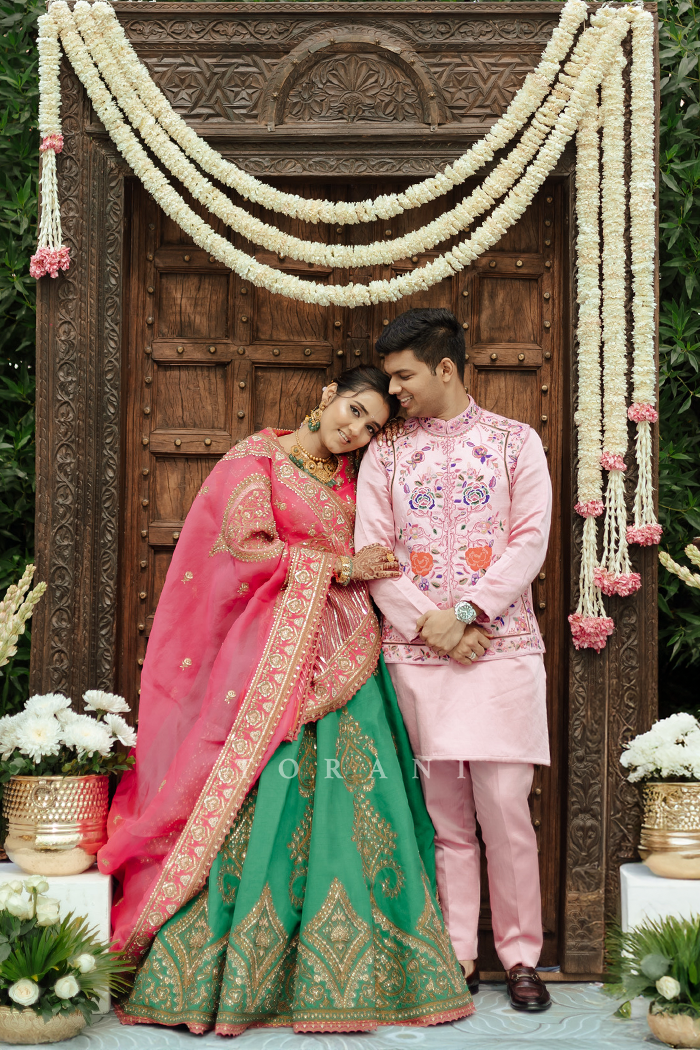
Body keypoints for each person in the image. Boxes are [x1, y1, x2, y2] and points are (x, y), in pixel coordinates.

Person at [97, 365, 474, 1036]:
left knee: (363, 806)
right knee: (262, 799)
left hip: (350, 658)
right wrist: (340, 566)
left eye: (370, 427)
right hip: (270, 662)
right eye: (353, 411)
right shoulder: (256, 462)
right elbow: (243, 551)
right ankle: (239, 975)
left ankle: (368, 975)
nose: (354, 430)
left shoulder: (358, 477)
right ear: (328, 396)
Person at [354, 310, 553, 1012]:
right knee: (445, 817)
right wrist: (433, 627)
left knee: (506, 810)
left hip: (502, 652)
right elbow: (373, 553)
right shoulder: (385, 454)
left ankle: (521, 956)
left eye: (404, 375)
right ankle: (458, 953)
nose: (394, 390)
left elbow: (529, 541)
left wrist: (468, 614)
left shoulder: (515, 442)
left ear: (445, 368)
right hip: (418, 657)